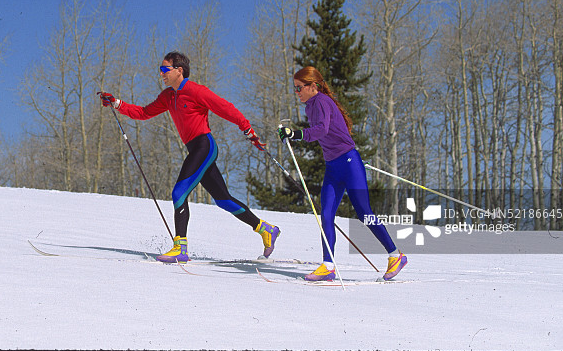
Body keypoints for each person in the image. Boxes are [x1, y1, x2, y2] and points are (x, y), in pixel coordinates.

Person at [99, 51, 280, 263]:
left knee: (179, 193)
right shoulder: (168, 96)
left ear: (179, 70)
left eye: (165, 69)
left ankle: (180, 247)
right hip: (194, 149)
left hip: (204, 146)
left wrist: (248, 130)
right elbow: (144, 112)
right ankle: (265, 229)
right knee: (223, 200)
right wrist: (117, 103)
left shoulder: (195, 91)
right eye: (161, 70)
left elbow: (226, 108)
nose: (162, 74)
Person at [277, 66, 407, 282]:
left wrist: (296, 133)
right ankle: (328, 265)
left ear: (312, 86)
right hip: (333, 167)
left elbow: (321, 130)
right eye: (295, 88)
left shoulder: (321, 101)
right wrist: (294, 134)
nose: (297, 92)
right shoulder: (310, 106)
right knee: (326, 215)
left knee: (364, 213)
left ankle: (396, 255)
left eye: (299, 87)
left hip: (349, 162)